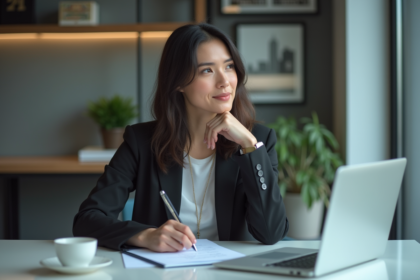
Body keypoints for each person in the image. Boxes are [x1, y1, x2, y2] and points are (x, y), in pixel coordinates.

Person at [73, 23, 289, 252]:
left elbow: (271, 232)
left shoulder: (257, 141)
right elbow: (87, 220)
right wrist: (144, 235)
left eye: (229, 67)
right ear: (178, 82)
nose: (224, 81)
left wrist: (249, 147)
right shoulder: (142, 142)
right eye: (207, 70)